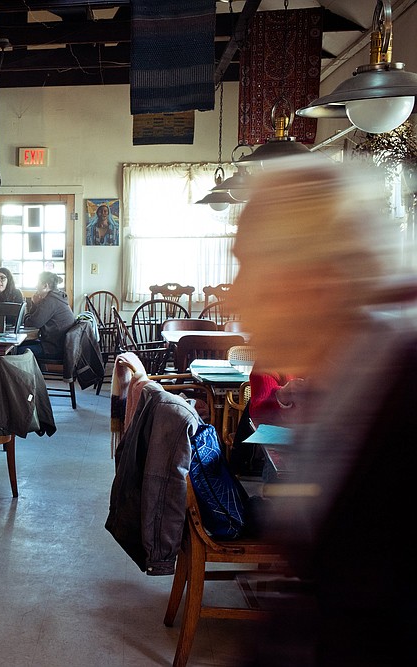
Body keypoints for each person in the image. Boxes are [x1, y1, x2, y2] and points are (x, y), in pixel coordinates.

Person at [230, 156, 417, 666]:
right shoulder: (346, 386)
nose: (236, 296)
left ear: (316, 281)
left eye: (250, 267)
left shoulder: (402, 399)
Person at [19, 271, 76, 360]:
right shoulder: (58, 296)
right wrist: (35, 305)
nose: (36, 286)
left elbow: (32, 323)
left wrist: (33, 305)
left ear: (45, 286)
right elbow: (35, 321)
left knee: (17, 350)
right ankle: (35, 373)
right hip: (59, 345)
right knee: (19, 344)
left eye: (38, 283)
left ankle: (28, 373)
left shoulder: (50, 301)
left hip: (53, 348)